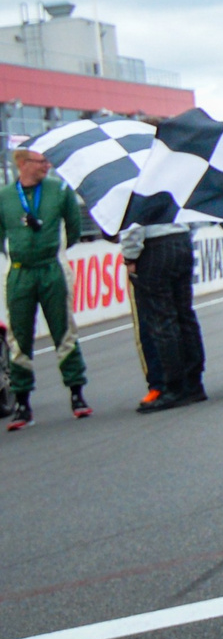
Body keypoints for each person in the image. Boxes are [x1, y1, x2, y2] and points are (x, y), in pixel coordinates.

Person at [2, 147, 92, 429]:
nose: (47, 166)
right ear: (22, 164)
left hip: (52, 268)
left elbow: (74, 229)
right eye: (41, 162)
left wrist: (55, 250)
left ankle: (77, 394)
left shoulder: (59, 190)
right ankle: (22, 402)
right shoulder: (4, 196)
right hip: (19, 272)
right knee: (18, 337)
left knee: (64, 330)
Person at [121, 214, 206, 412]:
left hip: (155, 247)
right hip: (182, 239)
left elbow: (134, 222)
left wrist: (130, 255)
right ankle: (194, 383)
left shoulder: (138, 191)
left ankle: (175, 387)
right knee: (185, 315)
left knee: (162, 320)